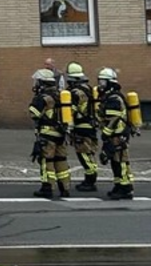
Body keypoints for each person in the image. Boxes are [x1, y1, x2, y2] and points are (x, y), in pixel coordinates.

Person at [29, 67, 71, 199]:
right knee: (61, 160)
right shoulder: (60, 95)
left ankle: (47, 188)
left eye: (37, 82)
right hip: (61, 134)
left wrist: (34, 102)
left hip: (47, 135)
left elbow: (34, 114)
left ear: (42, 83)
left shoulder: (43, 98)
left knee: (46, 161)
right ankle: (65, 188)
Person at [98, 67, 134, 200]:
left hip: (118, 135)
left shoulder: (113, 98)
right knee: (114, 161)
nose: (100, 85)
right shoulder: (110, 97)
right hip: (114, 135)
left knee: (121, 162)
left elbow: (114, 118)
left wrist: (106, 133)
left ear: (110, 82)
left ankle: (126, 188)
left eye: (102, 82)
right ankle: (118, 185)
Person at [65, 62, 99, 192]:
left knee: (83, 154)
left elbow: (71, 110)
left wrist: (66, 124)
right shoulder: (89, 89)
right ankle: (89, 178)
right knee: (90, 153)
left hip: (81, 127)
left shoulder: (74, 93)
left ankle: (90, 180)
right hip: (91, 125)